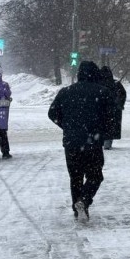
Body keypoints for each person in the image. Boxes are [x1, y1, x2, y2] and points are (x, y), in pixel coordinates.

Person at [48, 61, 114, 221]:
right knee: (95, 176)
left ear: (79, 74)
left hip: (71, 143)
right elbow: (111, 116)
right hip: (93, 142)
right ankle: (84, 200)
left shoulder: (66, 92)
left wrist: (67, 126)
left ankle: (79, 209)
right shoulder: (102, 92)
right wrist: (101, 131)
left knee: (75, 177)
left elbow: (52, 113)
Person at [100, 66, 126, 150]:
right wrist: (119, 104)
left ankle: (101, 141)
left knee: (101, 125)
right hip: (113, 110)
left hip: (101, 109)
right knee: (110, 126)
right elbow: (123, 94)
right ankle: (108, 142)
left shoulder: (98, 84)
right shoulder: (116, 84)